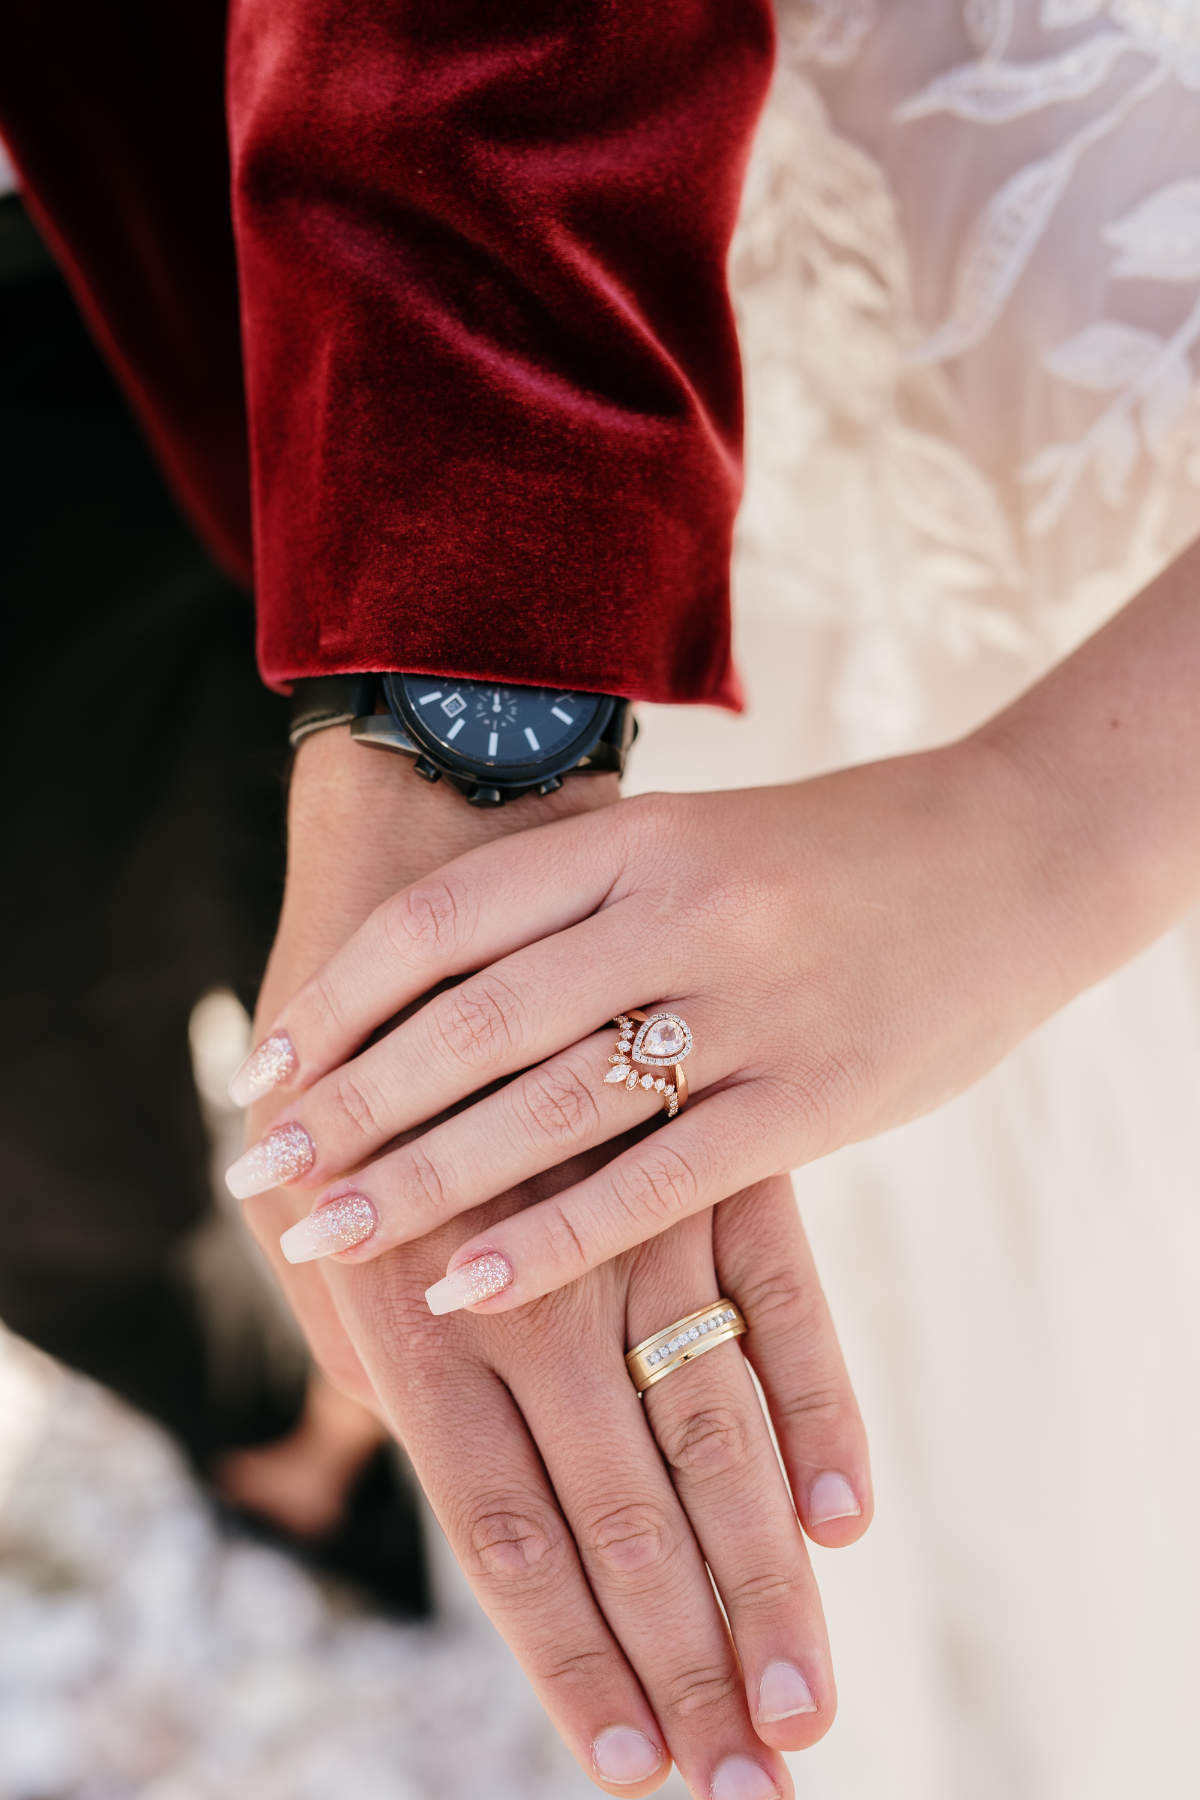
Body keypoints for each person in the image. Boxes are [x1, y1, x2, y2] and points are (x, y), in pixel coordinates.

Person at [2, 7, 872, 1800]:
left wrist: (466, 667)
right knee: (52, 1142)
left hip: (245, 245)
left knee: (431, 1074)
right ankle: (276, 1421)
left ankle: (336, 1407)